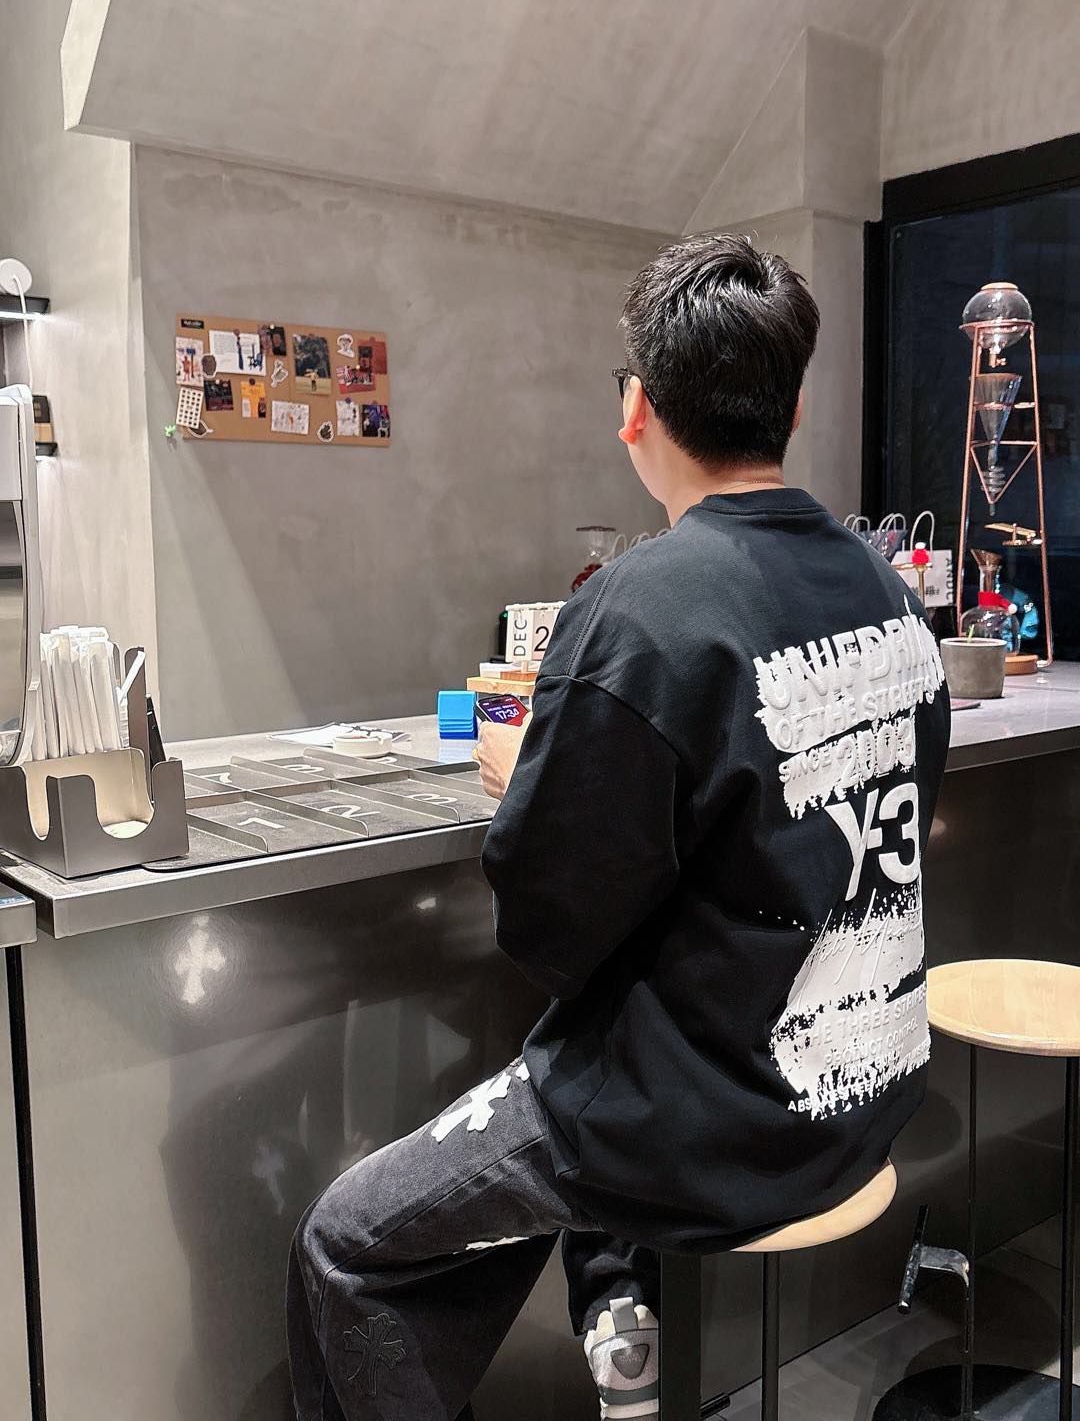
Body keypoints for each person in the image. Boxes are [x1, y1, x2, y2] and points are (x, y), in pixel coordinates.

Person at [287, 233, 950, 1421]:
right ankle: (620, 1327)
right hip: (871, 1088)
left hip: (718, 1127)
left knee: (348, 1244)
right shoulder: (889, 593)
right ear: (795, 406)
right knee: (582, 1051)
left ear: (636, 407)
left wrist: (535, 781)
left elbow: (549, 924)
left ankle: (617, 1301)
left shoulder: (640, 608)